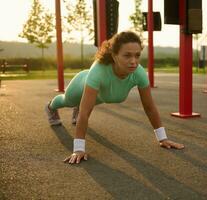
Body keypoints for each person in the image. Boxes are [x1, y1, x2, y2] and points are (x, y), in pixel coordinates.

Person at [45, 31, 185, 164]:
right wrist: (78, 149)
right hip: (81, 85)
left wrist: (163, 138)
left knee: (85, 105)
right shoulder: (98, 70)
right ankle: (50, 106)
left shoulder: (139, 73)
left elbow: (149, 107)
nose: (133, 61)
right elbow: (85, 111)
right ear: (114, 55)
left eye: (137, 55)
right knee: (67, 101)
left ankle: (77, 106)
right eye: (127, 55)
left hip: (100, 96)